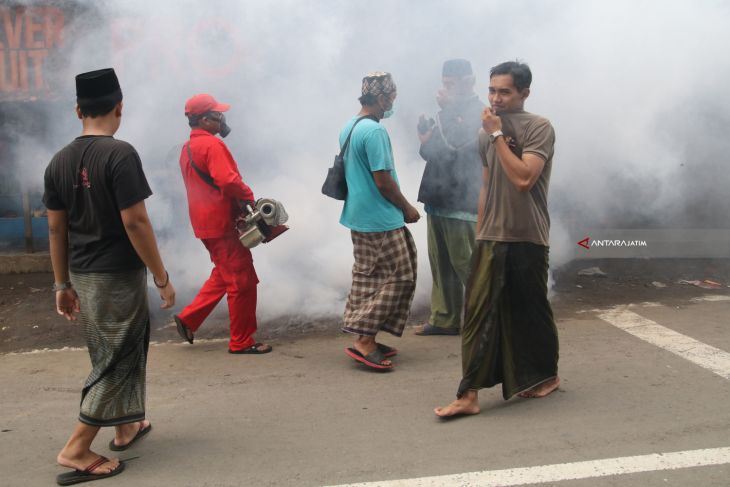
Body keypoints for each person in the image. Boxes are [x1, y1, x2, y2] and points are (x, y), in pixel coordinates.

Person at [43, 68, 175, 484]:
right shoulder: (120, 155)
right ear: (120, 108)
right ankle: (77, 448)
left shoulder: (58, 161)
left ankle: (125, 426)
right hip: (117, 275)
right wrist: (161, 276)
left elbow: (55, 229)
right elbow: (135, 222)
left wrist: (61, 285)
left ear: (78, 110)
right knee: (119, 357)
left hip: (83, 275)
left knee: (111, 351)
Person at [435, 61, 560, 417]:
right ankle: (468, 395)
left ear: (524, 93)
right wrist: (480, 229)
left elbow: (523, 179)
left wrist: (496, 135)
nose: (496, 98)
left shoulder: (539, 128)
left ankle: (545, 376)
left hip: (528, 235)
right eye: (492, 90)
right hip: (491, 234)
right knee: (476, 312)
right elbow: (487, 185)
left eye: (504, 91)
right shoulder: (484, 131)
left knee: (530, 311)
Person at [174, 94, 271, 354]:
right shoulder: (212, 146)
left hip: (205, 223)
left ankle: (189, 318)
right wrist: (249, 196)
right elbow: (227, 181)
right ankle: (242, 341)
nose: (221, 119)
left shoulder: (187, 148)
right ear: (205, 120)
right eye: (217, 114)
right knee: (242, 281)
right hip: (222, 223)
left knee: (224, 273)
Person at [340, 72, 420, 371]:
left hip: (359, 215)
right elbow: (383, 180)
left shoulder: (350, 126)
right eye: (392, 98)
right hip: (380, 218)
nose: (392, 103)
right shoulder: (374, 132)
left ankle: (364, 332)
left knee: (368, 275)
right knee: (402, 276)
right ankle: (364, 339)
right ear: (382, 97)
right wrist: (407, 208)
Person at [414, 59, 485, 337]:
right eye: (444, 84)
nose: (445, 90)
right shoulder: (446, 112)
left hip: (462, 200)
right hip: (438, 195)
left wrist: (449, 109)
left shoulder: (481, 112)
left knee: (467, 264)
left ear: (469, 82)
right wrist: (425, 139)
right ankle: (445, 318)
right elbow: (433, 153)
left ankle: (491, 315)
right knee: (440, 262)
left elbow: (461, 145)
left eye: (451, 84)